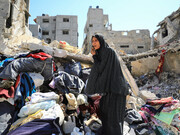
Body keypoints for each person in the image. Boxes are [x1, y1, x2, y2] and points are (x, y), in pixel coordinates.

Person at [85, 34, 129, 135]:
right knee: (105, 114)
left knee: (114, 118)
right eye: (92, 41)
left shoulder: (108, 52)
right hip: (109, 90)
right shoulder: (102, 53)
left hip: (116, 89)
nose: (94, 43)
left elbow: (100, 69)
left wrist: (95, 56)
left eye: (96, 40)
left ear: (101, 41)